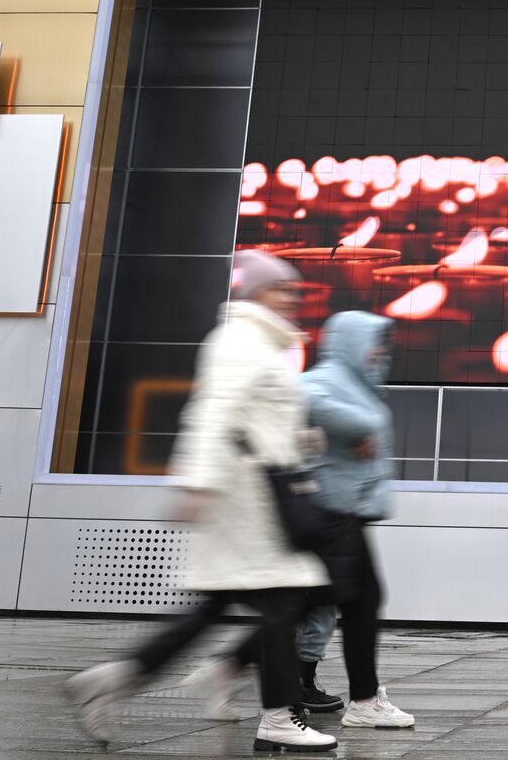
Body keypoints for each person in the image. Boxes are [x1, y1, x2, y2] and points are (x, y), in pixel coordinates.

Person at [65, 250, 337, 753]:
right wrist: (198, 482)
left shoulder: (258, 341)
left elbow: (252, 416)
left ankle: (117, 678)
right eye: (283, 289)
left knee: (219, 604)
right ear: (257, 291)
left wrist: (300, 440)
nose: (293, 299)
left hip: (250, 494)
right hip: (247, 500)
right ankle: (276, 716)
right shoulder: (241, 340)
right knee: (281, 602)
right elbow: (212, 414)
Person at [192, 310, 413, 730]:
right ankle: (363, 700)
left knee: (317, 601)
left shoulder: (359, 383)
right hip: (329, 513)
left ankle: (229, 667)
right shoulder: (328, 377)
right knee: (351, 602)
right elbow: (304, 397)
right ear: (352, 343)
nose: (381, 351)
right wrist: (359, 427)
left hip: (347, 512)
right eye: (375, 342)